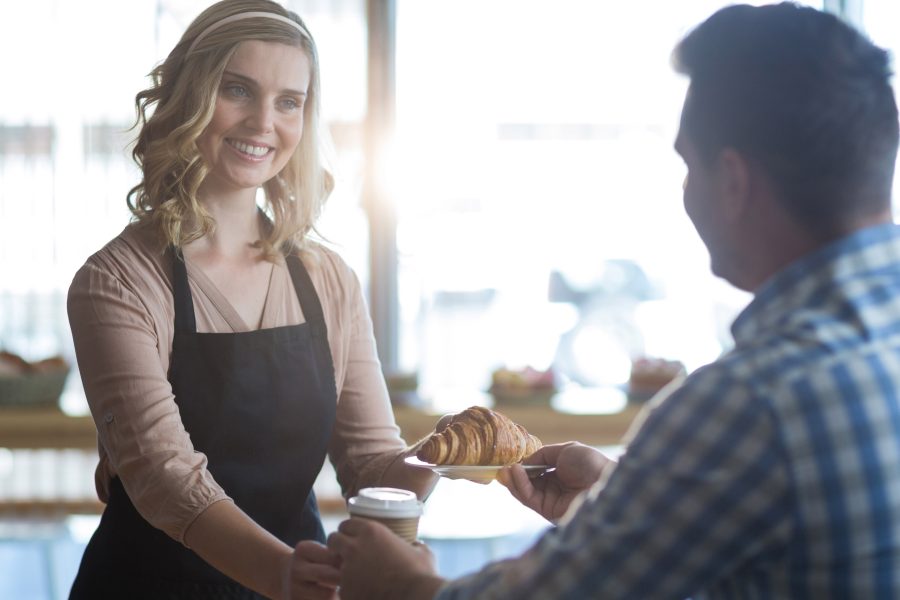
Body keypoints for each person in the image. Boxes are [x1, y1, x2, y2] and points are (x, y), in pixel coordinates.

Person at [326, 3, 900, 598]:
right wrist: (622, 500)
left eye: (686, 165)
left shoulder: (747, 402)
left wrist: (404, 587)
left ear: (732, 181)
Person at [66, 1, 437, 598]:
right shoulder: (118, 281)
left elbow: (372, 465)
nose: (265, 122)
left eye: (289, 101)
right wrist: (282, 573)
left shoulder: (328, 278)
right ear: (191, 97)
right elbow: (165, 478)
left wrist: (452, 457)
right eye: (238, 90)